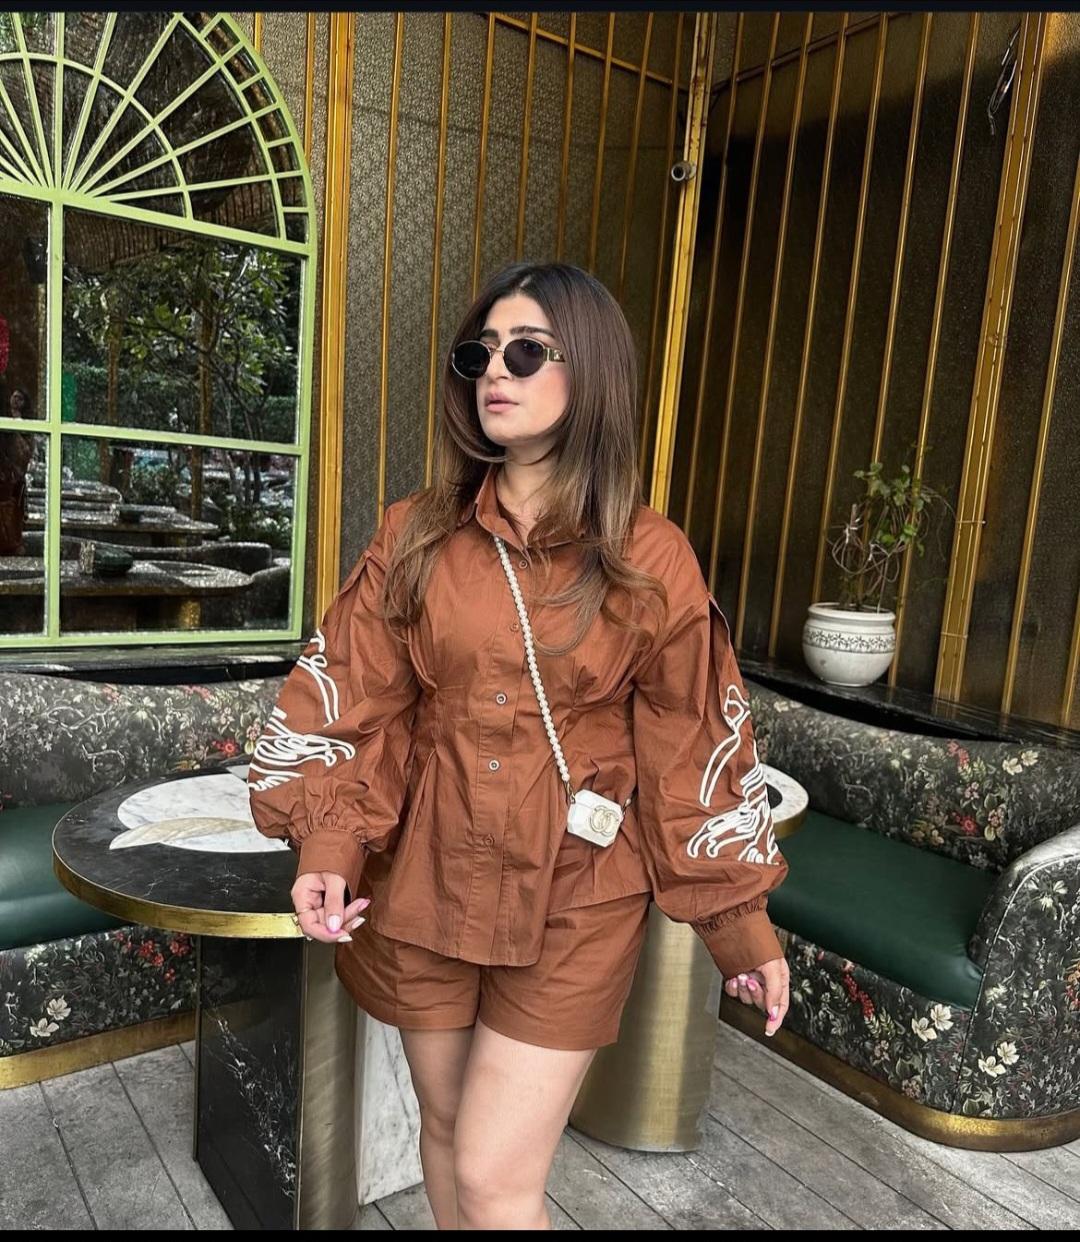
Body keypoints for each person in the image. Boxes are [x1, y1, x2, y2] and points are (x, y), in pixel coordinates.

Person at [247, 262, 789, 1229]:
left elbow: (693, 743)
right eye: (481, 353)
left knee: (497, 1177)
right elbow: (357, 699)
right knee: (448, 1128)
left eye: (529, 351)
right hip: (427, 877)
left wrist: (736, 922)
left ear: (594, 372)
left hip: (576, 894)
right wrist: (329, 843)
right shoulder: (415, 534)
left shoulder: (648, 555)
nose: (496, 371)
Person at [0, 385, 34, 556]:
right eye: (14, 396)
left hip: (15, 479)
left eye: (19, 398)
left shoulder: (25, 425)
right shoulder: (5, 419)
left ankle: (12, 543)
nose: (15, 400)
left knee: (12, 514)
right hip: (5, 475)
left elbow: (26, 452)